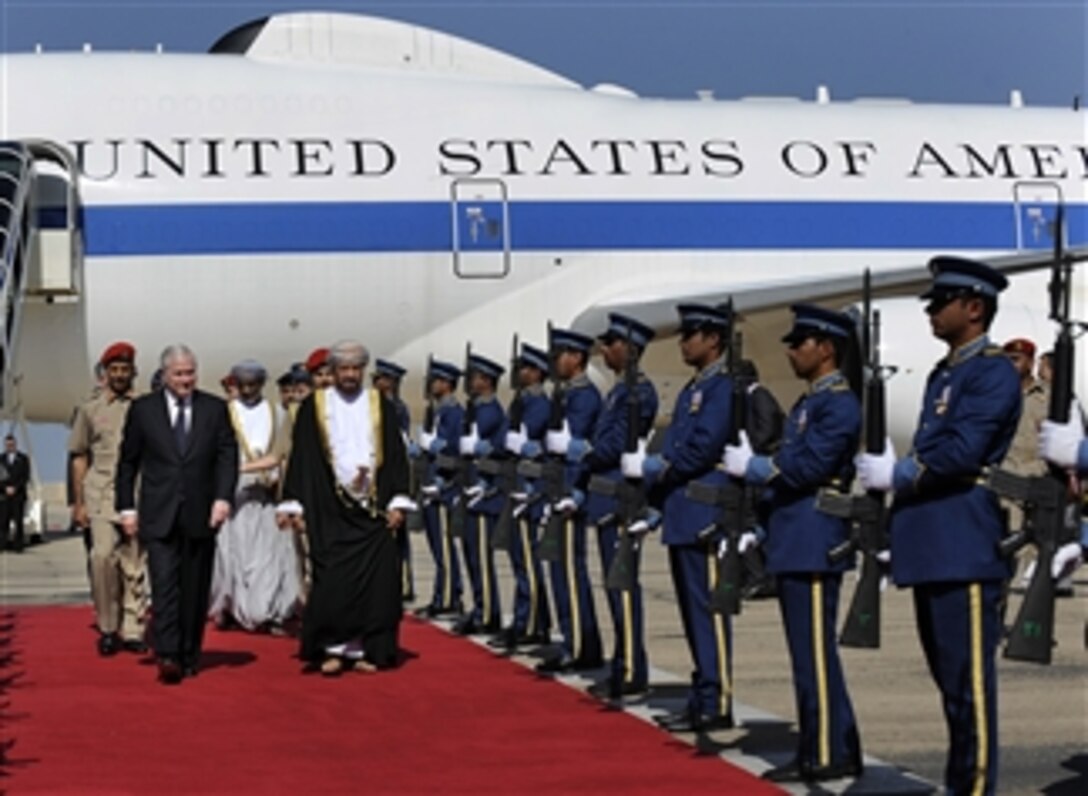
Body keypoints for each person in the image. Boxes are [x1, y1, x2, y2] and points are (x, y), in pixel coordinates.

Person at [857, 257, 1021, 796]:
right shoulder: (945, 372)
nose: (932, 310)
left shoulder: (992, 371)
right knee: (950, 687)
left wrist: (900, 472)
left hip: (963, 543)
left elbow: (960, 451)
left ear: (973, 308)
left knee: (970, 688)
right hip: (933, 540)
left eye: (942, 302)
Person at [724, 305, 863, 783]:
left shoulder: (838, 404)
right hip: (794, 535)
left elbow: (807, 466)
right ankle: (837, 744)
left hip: (814, 537)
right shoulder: (808, 404)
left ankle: (825, 752)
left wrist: (757, 468)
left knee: (814, 655)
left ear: (826, 349)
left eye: (799, 342)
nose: (790, 350)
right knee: (808, 654)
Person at [622, 303, 735, 732]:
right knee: (692, 612)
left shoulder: (722, 388)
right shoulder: (694, 390)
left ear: (714, 339)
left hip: (705, 513)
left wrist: (657, 467)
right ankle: (703, 689)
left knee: (708, 611)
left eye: (692, 334)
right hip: (683, 513)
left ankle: (717, 698)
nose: (684, 342)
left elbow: (702, 447)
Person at [278, 340, 412, 676]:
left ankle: (369, 648)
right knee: (333, 582)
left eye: (356, 369)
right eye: (344, 369)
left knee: (376, 584)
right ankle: (334, 650)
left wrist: (398, 500)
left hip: (373, 509)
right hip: (330, 507)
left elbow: (396, 455)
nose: (350, 375)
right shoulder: (315, 406)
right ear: (333, 371)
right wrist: (294, 504)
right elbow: (303, 458)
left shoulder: (379, 404)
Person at [115, 344, 239, 684]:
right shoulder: (144, 410)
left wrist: (223, 498)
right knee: (165, 583)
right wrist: (126, 508)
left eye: (191, 373)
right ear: (165, 375)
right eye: (180, 374)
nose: (186, 380)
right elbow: (128, 463)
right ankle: (167, 653)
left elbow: (228, 456)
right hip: (159, 512)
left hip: (202, 514)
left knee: (195, 588)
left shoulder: (214, 409)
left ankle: (189, 652)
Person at [579, 313, 658, 699]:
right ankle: (623, 660)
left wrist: (584, 453)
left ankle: (631, 668)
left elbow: (614, 445)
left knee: (623, 585)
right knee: (614, 586)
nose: (604, 351)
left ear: (629, 348)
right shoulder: (618, 391)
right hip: (607, 495)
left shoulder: (637, 393)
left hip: (621, 498)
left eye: (611, 344)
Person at [69, 341, 149, 655]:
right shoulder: (90, 409)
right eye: (114, 369)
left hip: (139, 491)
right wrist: (79, 503)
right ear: (105, 372)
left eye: (124, 369)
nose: (119, 375)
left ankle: (133, 628)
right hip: (101, 491)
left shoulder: (145, 406)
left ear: (132, 372)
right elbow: (79, 455)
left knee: (134, 561)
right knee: (101, 557)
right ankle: (107, 625)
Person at [208, 360, 299, 632]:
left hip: (267, 492)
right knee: (232, 553)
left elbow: (281, 453)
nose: (248, 390)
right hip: (234, 492)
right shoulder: (224, 413)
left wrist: (277, 480)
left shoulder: (277, 413)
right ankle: (232, 606)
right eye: (243, 385)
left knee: (266, 555)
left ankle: (265, 609)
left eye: (253, 385)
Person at [534, 327, 604, 673]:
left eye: (561, 354)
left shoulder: (584, 397)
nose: (555, 361)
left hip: (569, 493)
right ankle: (572, 639)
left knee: (570, 573)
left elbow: (575, 450)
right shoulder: (565, 394)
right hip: (556, 489)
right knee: (558, 571)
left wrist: (572, 490)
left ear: (576, 358)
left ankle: (581, 646)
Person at [489, 342, 553, 650]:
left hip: (530, 491)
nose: (520, 373)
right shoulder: (521, 402)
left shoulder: (539, 403)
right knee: (519, 561)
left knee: (528, 562)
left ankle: (531, 624)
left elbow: (526, 437)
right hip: (515, 488)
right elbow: (503, 438)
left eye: (525, 368)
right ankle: (526, 619)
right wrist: (511, 440)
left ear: (538, 372)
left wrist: (517, 442)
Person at [453, 352, 507, 635]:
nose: (469, 383)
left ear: (486, 381)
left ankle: (488, 613)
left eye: (474, 377)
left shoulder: (491, 411)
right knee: (472, 556)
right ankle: (480, 606)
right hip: (470, 491)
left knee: (482, 559)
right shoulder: (474, 409)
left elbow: (496, 451)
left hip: (485, 496)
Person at [415, 359, 465, 618]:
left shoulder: (454, 413)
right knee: (437, 547)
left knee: (444, 547)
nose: (431, 385)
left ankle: (449, 597)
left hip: (444, 489)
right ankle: (441, 594)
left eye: (435, 380)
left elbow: (456, 452)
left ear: (446, 384)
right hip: (432, 487)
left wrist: (438, 452)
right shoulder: (439, 412)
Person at [999, 338, 1049, 588]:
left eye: (1017, 359)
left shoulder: (1047, 398)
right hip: (1006, 477)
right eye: (1007, 359)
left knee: (1036, 540)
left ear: (1030, 361)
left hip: (1037, 475)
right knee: (1008, 537)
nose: (1012, 364)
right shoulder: (998, 394)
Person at [373, 358, 414, 601]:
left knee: (399, 535)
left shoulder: (397, 408)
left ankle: (404, 583)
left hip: (394, 472)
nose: (378, 383)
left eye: (383, 379)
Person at [0, 433, 32, 552]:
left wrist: (15, 488)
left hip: (18, 495)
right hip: (4, 496)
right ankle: (2, 544)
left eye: (12, 444)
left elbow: (25, 477)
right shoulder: (1, 459)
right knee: (3, 522)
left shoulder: (23, 459)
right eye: (8, 444)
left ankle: (18, 546)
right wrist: (5, 488)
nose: (10, 446)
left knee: (18, 521)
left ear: (15, 444)